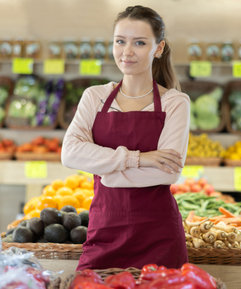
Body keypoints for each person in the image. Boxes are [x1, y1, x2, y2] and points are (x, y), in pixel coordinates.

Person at [61, 5, 190, 270]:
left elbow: (167, 173)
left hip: (159, 235)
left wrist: (106, 171)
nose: (127, 52)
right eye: (120, 41)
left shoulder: (175, 102)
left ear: (159, 48)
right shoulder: (94, 96)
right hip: (104, 229)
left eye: (139, 43)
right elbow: (70, 153)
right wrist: (139, 159)